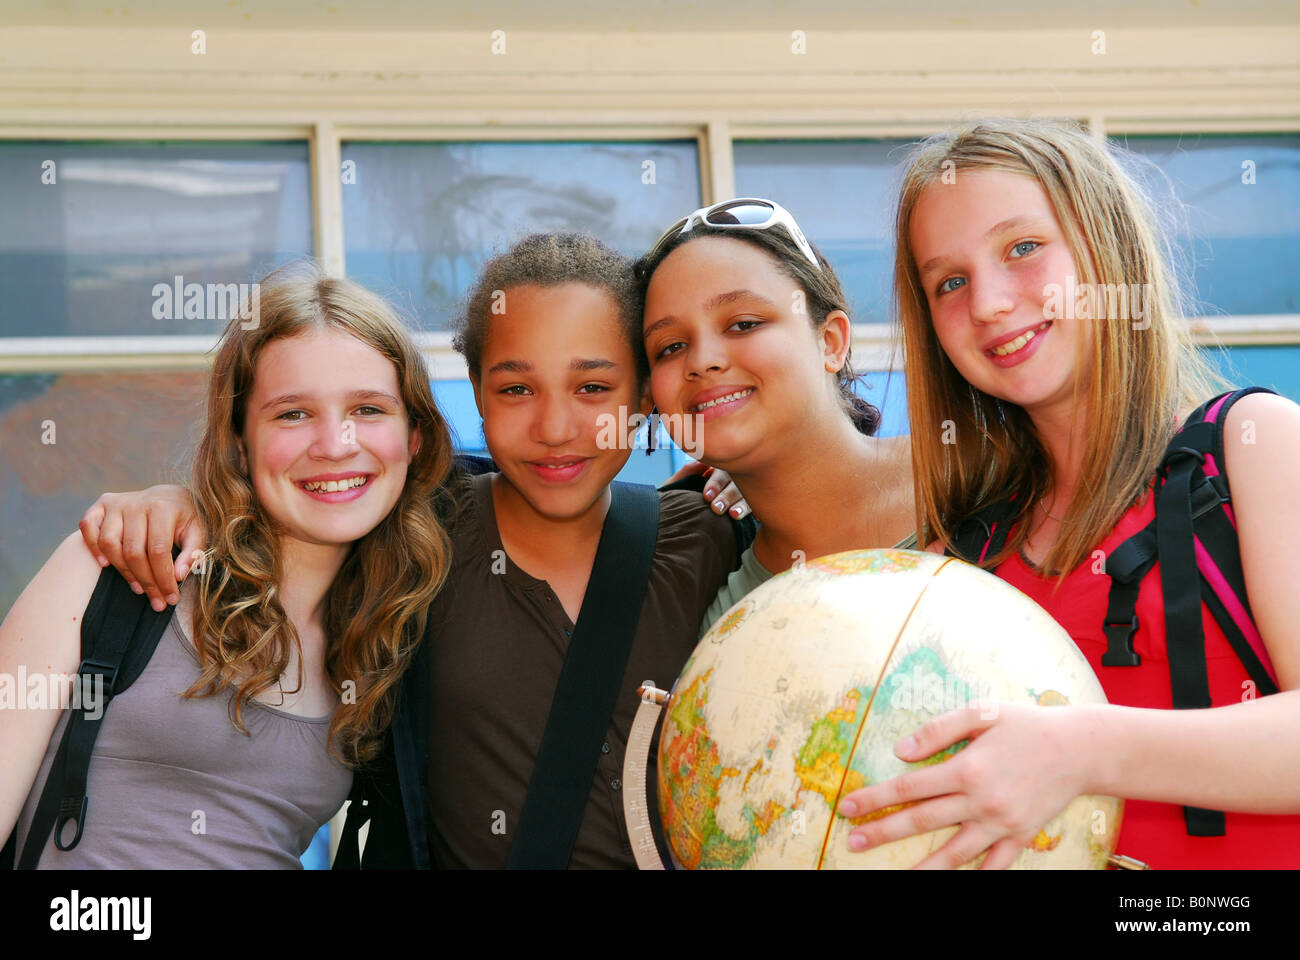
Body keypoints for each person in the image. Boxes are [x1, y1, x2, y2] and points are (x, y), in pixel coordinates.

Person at [73, 233, 745, 868]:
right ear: (476, 395)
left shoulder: (707, 535)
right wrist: (176, 503)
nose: (555, 427)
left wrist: (751, 475)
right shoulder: (414, 534)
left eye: (594, 388)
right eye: (516, 389)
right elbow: (308, 493)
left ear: (646, 396)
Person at [836, 118, 1300, 869]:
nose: (987, 303)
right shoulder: (959, 553)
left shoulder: (1252, 447)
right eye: (948, 282)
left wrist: (1083, 749)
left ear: (1106, 248)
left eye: (1022, 248)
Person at [1, 261, 455, 868]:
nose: (336, 443)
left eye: (369, 409)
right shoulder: (114, 571)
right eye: (292, 413)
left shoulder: (391, 639)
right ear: (240, 441)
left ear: (415, 435)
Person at [633, 198, 915, 634]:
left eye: (744, 323)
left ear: (831, 341)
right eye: (670, 347)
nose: (702, 360)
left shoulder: (988, 478)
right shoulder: (720, 618)